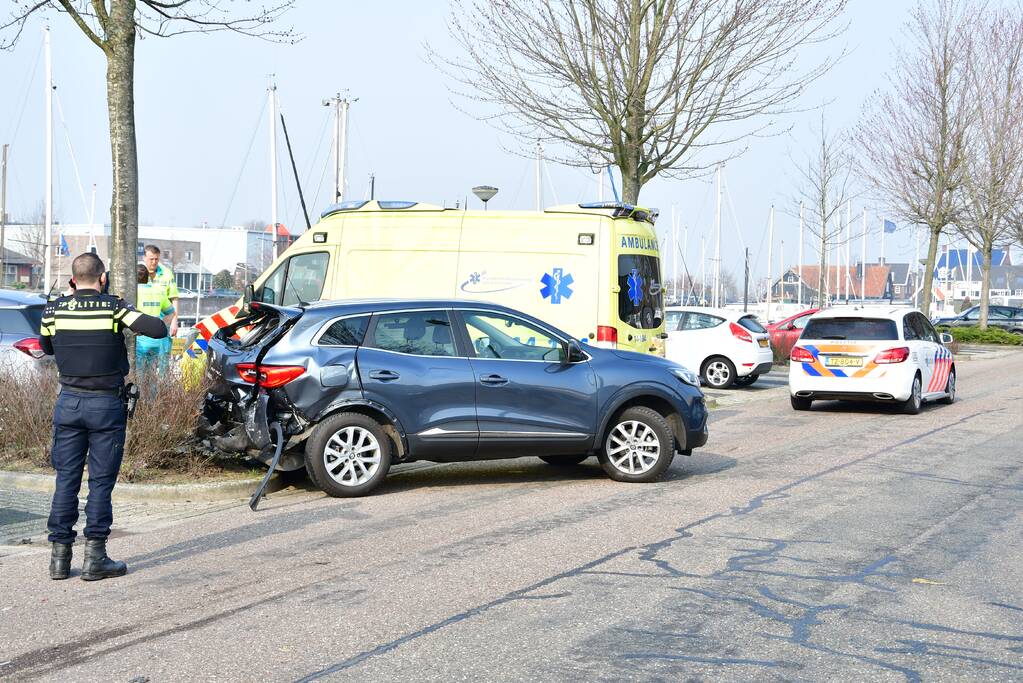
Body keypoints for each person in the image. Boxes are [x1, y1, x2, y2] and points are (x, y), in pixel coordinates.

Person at [39, 253, 168, 581]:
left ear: (73, 279)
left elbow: (48, 347)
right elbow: (157, 328)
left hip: (68, 403)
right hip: (105, 407)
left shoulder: (52, 310)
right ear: (101, 278)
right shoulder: (113, 307)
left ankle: (59, 559)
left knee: (66, 479)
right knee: (100, 482)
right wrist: (124, 309)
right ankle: (95, 558)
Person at [135, 264, 175, 374]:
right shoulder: (159, 291)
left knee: (138, 377)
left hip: (140, 341)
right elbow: (171, 313)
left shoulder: (133, 293)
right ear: (148, 277)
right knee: (152, 376)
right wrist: (162, 327)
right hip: (156, 341)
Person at [143, 244, 179, 344]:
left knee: (162, 354)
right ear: (144, 258)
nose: (154, 262)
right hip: (143, 324)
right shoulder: (138, 273)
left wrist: (174, 321)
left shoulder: (167, 274)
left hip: (163, 322)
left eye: (156, 259)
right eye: (151, 259)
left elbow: (174, 298)